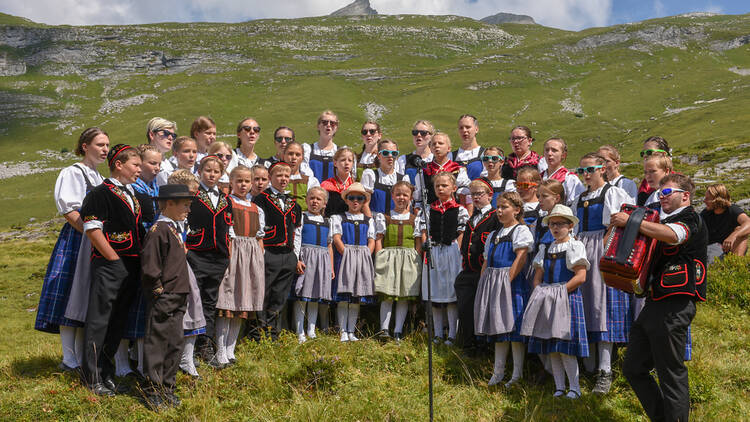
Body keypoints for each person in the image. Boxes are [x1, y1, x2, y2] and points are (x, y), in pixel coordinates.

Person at [612, 173, 708, 422]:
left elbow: (674, 235)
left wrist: (632, 222)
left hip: (675, 304)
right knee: (633, 368)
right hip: (654, 303)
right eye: (659, 194)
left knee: (671, 373)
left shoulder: (691, 218)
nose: (661, 198)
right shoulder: (660, 220)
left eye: (667, 193)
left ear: (684, 196)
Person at [35, 127, 107, 372]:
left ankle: (78, 357)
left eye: (107, 145)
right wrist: (90, 234)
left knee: (84, 296)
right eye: (99, 145)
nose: (104, 150)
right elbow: (69, 210)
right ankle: (68, 358)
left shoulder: (99, 177)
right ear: (85, 146)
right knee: (70, 293)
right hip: (78, 239)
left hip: (94, 240)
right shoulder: (72, 173)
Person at [79, 144, 144, 396]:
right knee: (99, 320)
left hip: (131, 264)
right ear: (119, 164)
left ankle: (107, 372)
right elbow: (93, 230)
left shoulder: (132, 193)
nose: (139, 169)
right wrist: (114, 260)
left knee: (118, 320)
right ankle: (91, 377)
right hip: (110, 264)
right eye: (135, 165)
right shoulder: (99, 193)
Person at [573, 152, 632, 394]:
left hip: (602, 247)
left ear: (603, 169)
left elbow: (620, 222)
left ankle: (605, 368)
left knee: (603, 305)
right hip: (581, 249)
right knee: (586, 304)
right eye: (582, 171)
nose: (586, 175)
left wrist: (607, 247)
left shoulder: (613, 193)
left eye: (590, 170)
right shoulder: (579, 197)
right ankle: (589, 363)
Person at [525, 204, 590, 400]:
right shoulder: (546, 248)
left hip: (566, 298)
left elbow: (580, 276)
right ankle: (560, 387)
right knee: (551, 344)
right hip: (548, 297)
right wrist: (540, 291)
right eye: (552, 224)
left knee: (565, 345)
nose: (555, 228)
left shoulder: (574, 246)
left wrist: (560, 292)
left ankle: (575, 388)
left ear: (570, 226)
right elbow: (538, 276)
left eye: (560, 224)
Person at [140, 183, 194, 410]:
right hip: (165, 296)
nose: (188, 210)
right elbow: (150, 267)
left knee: (174, 342)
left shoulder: (173, 228)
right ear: (169, 203)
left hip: (179, 294)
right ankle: (152, 389)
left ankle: (167, 386)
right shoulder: (159, 230)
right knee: (157, 342)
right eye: (185, 205)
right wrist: (158, 290)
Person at [475, 192, 533, 387]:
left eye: (505, 207)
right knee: (498, 328)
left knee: (514, 330)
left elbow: (521, 257)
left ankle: (516, 375)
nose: (499, 211)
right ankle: (497, 372)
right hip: (493, 282)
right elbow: (485, 261)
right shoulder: (493, 234)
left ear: (516, 210)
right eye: (498, 207)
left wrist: (507, 281)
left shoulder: (521, 231)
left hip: (511, 283)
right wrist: (484, 282)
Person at [214, 166, 266, 366]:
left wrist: (259, 257)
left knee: (243, 301)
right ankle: (220, 350)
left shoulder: (256, 208)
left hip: (251, 254)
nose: (243, 185)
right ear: (231, 182)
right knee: (228, 301)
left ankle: (231, 349)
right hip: (233, 252)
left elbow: (259, 237)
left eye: (247, 181)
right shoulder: (227, 203)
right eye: (239, 181)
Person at [186, 155, 233, 366]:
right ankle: (189, 346)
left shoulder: (226, 199)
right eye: (208, 170)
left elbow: (228, 228)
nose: (212, 174)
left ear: (221, 174)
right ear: (200, 171)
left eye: (216, 171)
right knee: (192, 300)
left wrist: (227, 254)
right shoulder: (193, 195)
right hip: (197, 253)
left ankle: (206, 346)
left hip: (218, 257)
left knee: (209, 302)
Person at [252, 162, 303, 340]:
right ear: (271, 178)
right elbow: (257, 227)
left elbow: (297, 231)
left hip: (287, 254)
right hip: (269, 252)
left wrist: (295, 256)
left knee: (280, 295)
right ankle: (258, 332)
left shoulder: (293, 203)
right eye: (279, 176)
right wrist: (262, 253)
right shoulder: (261, 199)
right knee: (263, 293)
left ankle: (273, 333)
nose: (283, 179)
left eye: (286, 176)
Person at [166, 170, 206, 379]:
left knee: (193, 307)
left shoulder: (184, 215)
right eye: (190, 193)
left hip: (183, 265)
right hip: (171, 268)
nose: (193, 198)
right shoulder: (165, 218)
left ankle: (187, 358)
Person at [420, 172, 468, 345]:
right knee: (435, 294)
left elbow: (462, 233)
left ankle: (452, 334)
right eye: (437, 186)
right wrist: (426, 247)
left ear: (454, 188)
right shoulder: (428, 209)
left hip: (451, 252)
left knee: (450, 294)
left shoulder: (459, 210)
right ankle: (438, 333)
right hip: (433, 252)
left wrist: (459, 253)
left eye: (444, 185)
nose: (440, 188)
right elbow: (424, 232)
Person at [454, 179, 501, 353]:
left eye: (479, 194)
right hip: (468, 271)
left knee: (482, 308)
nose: (475, 197)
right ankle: (468, 343)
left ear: (490, 195)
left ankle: (483, 345)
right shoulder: (471, 219)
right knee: (466, 308)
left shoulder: (495, 217)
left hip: (483, 272)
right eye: (472, 194)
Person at [373, 181, 422, 341]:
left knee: (404, 295)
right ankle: (384, 329)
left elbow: (418, 243)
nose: (401, 197)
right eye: (398, 194)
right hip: (388, 258)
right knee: (387, 294)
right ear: (392, 196)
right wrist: (380, 257)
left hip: (409, 259)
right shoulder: (384, 217)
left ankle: (398, 330)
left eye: (405, 195)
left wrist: (417, 257)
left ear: (410, 197)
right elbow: (379, 239)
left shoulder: (415, 219)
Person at [331, 182, 376, 342]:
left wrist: (366, 254)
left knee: (357, 296)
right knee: (344, 296)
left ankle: (351, 330)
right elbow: (337, 238)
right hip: (345, 257)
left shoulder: (368, 220)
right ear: (347, 200)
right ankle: (342, 330)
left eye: (359, 198)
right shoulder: (338, 218)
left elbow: (371, 240)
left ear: (364, 201)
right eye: (352, 198)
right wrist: (346, 253)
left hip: (362, 257)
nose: (355, 201)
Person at [292, 187, 334, 343]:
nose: (314, 201)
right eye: (311, 198)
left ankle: (311, 328)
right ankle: (299, 330)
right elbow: (296, 239)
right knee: (303, 294)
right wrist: (297, 259)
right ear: (306, 200)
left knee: (315, 294)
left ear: (324, 203)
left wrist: (331, 266)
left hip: (321, 260)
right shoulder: (302, 218)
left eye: (318, 199)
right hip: (306, 257)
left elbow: (329, 245)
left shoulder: (327, 221)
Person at [414, 132, 470, 209]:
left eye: (440, 143)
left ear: (449, 148)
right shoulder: (424, 170)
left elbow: (465, 196)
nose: (437, 146)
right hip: (431, 213)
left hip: (453, 211)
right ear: (430, 148)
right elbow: (418, 199)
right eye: (434, 144)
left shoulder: (457, 169)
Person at [701, 183, 750, 263]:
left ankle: (735, 264)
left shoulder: (732, 210)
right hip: (712, 249)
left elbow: (748, 223)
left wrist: (733, 235)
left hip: (731, 249)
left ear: (717, 199)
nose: (704, 201)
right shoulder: (706, 213)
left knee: (740, 230)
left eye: (707, 198)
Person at [303, 110, 356, 182]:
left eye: (332, 123)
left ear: (336, 128)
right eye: (324, 122)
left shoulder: (341, 152)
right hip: (313, 191)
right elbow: (304, 174)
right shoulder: (307, 150)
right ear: (318, 126)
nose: (328, 125)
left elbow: (350, 177)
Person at [361, 139, 409, 215]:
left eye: (394, 153)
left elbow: (407, 205)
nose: (390, 156)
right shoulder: (370, 175)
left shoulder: (403, 179)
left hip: (395, 221)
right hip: (374, 221)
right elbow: (365, 204)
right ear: (378, 155)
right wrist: (370, 223)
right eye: (385, 153)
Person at [541, 138, 584, 207]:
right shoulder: (539, 177)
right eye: (547, 150)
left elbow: (575, 205)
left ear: (563, 155)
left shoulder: (569, 179)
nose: (549, 153)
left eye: (554, 150)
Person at [285, 141, 320, 212]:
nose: (294, 157)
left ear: (302, 158)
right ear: (283, 155)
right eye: (290, 154)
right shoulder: (276, 179)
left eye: (297, 155)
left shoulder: (311, 181)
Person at [321, 147, 356, 218]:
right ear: (335, 163)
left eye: (350, 160)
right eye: (343, 160)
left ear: (353, 164)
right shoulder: (326, 184)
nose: (347, 163)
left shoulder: (355, 186)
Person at [636, 136, 672, 206]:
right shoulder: (644, 184)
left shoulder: (676, 184)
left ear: (663, 154)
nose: (645, 156)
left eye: (649, 152)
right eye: (643, 153)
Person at [397, 120, 434, 184]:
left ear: (431, 136)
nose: (419, 135)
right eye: (415, 132)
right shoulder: (403, 160)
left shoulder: (435, 159)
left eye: (423, 133)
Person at [451, 114, 485, 180]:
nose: (464, 130)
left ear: (476, 129)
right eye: (461, 128)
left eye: (468, 127)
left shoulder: (485, 154)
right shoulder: (451, 156)